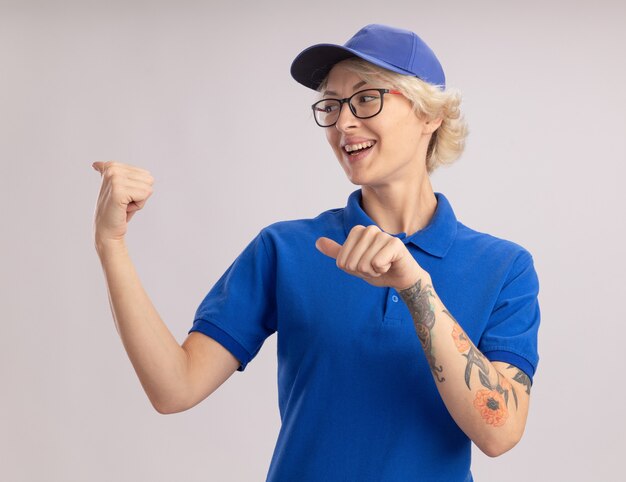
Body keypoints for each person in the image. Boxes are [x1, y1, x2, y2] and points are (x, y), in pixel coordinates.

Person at [92, 23, 540, 482]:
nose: (343, 123)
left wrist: (416, 287)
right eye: (331, 105)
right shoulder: (286, 250)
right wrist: (112, 245)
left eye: (367, 98)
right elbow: (175, 387)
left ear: (430, 114)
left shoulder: (504, 268)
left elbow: (499, 434)